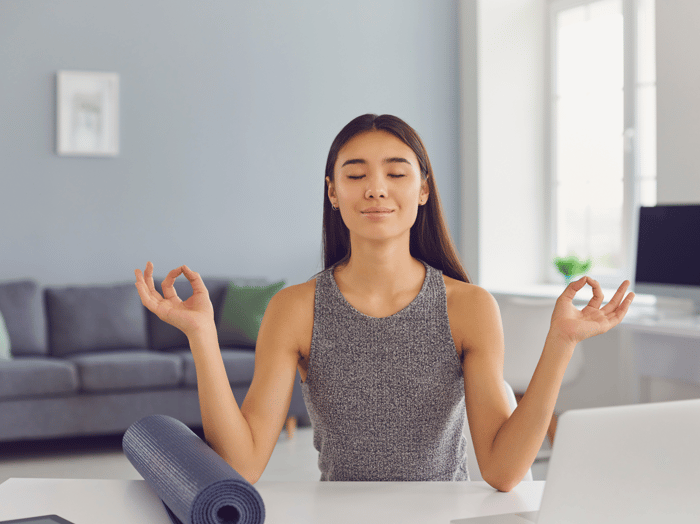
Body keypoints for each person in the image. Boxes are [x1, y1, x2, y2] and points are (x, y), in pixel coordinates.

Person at [135, 113, 634, 492]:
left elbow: (503, 473)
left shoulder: (470, 307)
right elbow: (242, 464)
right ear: (332, 192)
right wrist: (202, 335)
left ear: (422, 190)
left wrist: (561, 341)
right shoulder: (296, 308)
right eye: (355, 175)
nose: (376, 188)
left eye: (396, 173)